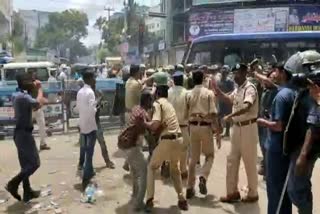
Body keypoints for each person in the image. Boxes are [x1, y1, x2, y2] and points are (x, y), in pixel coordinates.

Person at [213, 63, 259, 203]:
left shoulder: (250, 88)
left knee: (249, 162)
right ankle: (232, 192)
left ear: (244, 73)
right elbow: (228, 98)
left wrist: (230, 116)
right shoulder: (238, 88)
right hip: (236, 128)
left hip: (248, 128)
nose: (235, 76)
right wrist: (217, 91)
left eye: (237, 73)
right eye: (234, 73)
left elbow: (247, 107)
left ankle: (253, 193)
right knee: (232, 161)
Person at [144, 72, 189, 212]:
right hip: (179, 139)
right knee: (175, 170)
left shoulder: (158, 104)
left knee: (151, 167)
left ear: (157, 94)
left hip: (167, 139)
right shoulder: (169, 105)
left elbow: (155, 124)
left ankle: (149, 200)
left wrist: (145, 122)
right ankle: (182, 200)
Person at [257, 63, 294, 214]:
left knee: (274, 189)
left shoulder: (281, 96)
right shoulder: (291, 92)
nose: (273, 73)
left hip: (276, 149)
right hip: (285, 148)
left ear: (283, 73)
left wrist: (263, 122)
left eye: (276, 71)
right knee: (283, 190)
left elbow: (279, 126)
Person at [6, 73, 47, 203]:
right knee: (35, 163)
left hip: (20, 134)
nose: (32, 82)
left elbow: (31, 97)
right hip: (24, 134)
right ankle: (13, 183)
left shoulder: (17, 95)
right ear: (23, 82)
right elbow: (38, 104)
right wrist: (40, 88)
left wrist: (32, 88)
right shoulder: (23, 97)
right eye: (29, 81)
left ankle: (27, 191)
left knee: (25, 165)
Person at [185, 69, 221, 199]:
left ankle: (189, 188)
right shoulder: (209, 93)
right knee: (210, 156)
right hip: (205, 127)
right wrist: (217, 131)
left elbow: (185, 114)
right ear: (203, 79)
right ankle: (203, 177)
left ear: (193, 80)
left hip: (193, 127)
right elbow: (213, 113)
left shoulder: (188, 94)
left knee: (193, 159)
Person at [118, 90, 153, 211]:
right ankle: (138, 203)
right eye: (151, 100)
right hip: (131, 146)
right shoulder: (142, 115)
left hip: (127, 144)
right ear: (147, 101)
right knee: (144, 171)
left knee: (134, 171)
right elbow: (148, 130)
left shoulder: (136, 108)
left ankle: (134, 194)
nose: (152, 103)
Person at [78, 88, 115, 170]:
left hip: (96, 123)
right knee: (84, 145)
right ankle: (81, 164)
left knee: (102, 143)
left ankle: (107, 161)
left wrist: (103, 103)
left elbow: (99, 106)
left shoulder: (95, 93)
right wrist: (99, 99)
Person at [76, 71, 97, 191]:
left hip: (83, 124)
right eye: (94, 78)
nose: (95, 80)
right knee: (89, 153)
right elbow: (92, 110)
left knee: (85, 150)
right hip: (90, 125)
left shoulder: (80, 92)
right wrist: (97, 105)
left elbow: (79, 108)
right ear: (89, 79)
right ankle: (85, 179)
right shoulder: (90, 92)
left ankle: (90, 172)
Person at [168, 70, 190, 180]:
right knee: (184, 150)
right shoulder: (187, 93)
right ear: (182, 81)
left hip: (170, 127)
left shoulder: (168, 92)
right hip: (183, 126)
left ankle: (173, 171)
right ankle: (183, 170)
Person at [123, 65, 144, 171]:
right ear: (137, 72)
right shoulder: (137, 84)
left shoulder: (128, 82)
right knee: (138, 141)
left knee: (132, 140)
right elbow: (142, 98)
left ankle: (128, 162)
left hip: (128, 113)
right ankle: (129, 163)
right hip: (134, 115)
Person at [218, 66, 235, 137]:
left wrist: (225, 94)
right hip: (221, 101)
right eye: (222, 71)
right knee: (219, 116)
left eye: (225, 72)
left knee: (228, 116)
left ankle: (227, 132)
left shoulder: (229, 81)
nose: (223, 72)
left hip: (227, 101)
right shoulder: (219, 81)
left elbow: (233, 90)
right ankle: (219, 130)